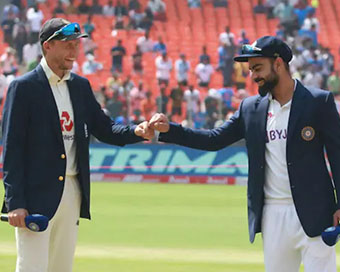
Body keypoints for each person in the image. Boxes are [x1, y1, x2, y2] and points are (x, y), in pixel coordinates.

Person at [149, 36, 340, 272]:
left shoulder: (318, 101)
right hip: (272, 216)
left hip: (317, 213)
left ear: (278, 63)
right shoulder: (250, 108)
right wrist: (172, 130)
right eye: (251, 70)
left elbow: (337, 154)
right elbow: (214, 139)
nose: (253, 76)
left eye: (258, 68)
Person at [1, 18, 154, 272]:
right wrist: (15, 201)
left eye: (76, 44)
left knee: (62, 268)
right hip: (36, 195)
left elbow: (105, 128)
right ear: (47, 46)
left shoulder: (80, 87)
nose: (74, 50)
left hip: (73, 191)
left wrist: (137, 131)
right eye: (67, 44)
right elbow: (12, 148)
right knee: (31, 267)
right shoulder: (23, 87)